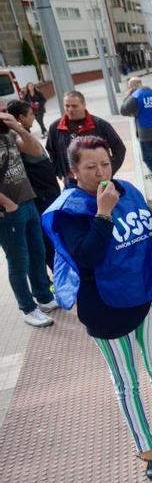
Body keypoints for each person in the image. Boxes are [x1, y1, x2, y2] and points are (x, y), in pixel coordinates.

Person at [41, 135, 152, 483]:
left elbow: (149, 227)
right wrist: (103, 213)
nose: (101, 172)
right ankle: (147, 450)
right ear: (73, 172)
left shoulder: (125, 188)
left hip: (147, 296)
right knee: (127, 383)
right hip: (106, 310)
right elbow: (85, 257)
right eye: (90, 167)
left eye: (105, 163)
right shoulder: (69, 210)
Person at [0, 98, 56, 327]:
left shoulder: (9, 134)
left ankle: (43, 295)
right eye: (1, 110)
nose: (4, 114)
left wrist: (18, 127)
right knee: (18, 260)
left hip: (28, 200)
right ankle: (27, 308)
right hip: (7, 210)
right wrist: (7, 203)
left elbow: (37, 151)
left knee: (38, 251)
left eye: (5, 110)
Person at [6, 100, 60, 271]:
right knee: (47, 242)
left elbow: (40, 153)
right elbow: (36, 153)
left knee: (52, 239)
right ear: (21, 118)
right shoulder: (14, 138)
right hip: (40, 196)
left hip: (49, 193)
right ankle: (55, 277)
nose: (34, 117)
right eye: (30, 114)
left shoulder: (22, 134)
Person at [47, 91, 126, 187]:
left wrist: (108, 171)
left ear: (84, 105)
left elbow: (119, 149)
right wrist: (60, 172)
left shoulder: (100, 125)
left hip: (99, 182)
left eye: (74, 106)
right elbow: (51, 151)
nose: (70, 109)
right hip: (71, 183)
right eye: (67, 106)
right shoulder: (55, 127)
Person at [120, 77, 152, 190]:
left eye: (129, 86)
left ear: (133, 86)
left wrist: (129, 95)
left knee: (148, 159)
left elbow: (123, 110)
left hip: (146, 133)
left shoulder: (136, 96)